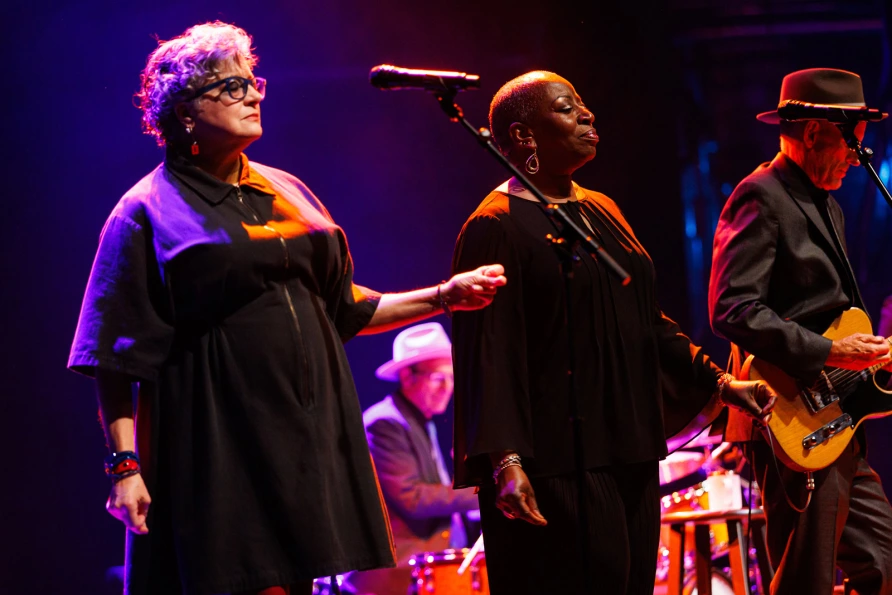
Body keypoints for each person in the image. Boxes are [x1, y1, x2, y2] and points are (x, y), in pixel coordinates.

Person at [68, 22, 506, 595]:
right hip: (218, 440)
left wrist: (446, 295)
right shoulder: (146, 210)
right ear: (184, 111)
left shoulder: (288, 190)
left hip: (304, 436)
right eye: (229, 86)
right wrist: (124, 468)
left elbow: (345, 308)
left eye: (253, 81)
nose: (251, 93)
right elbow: (113, 355)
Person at [450, 70, 776, 595]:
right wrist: (505, 460)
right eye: (566, 107)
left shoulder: (600, 210)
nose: (588, 115)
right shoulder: (496, 225)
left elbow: (645, 321)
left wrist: (719, 382)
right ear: (523, 136)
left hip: (629, 443)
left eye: (582, 103)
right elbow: (488, 354)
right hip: (557, 458)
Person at [709, 67, 892, 594]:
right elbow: (731, 307)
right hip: (794, 416)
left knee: (881, 562)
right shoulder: (761, 196)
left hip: (838, 420)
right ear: (815, 134)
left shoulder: (821, 201)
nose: (857, 161)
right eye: (852, 147)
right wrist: (830, 351)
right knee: (807, 578)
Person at [346, 322, 479, 595]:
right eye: (439, 378)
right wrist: (480, 492)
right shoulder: (384, 422)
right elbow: (412, 497)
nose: (448, 388)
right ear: (408, 376)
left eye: (452, 378)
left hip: (429, 571)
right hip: (397, 578)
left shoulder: (421, 422)